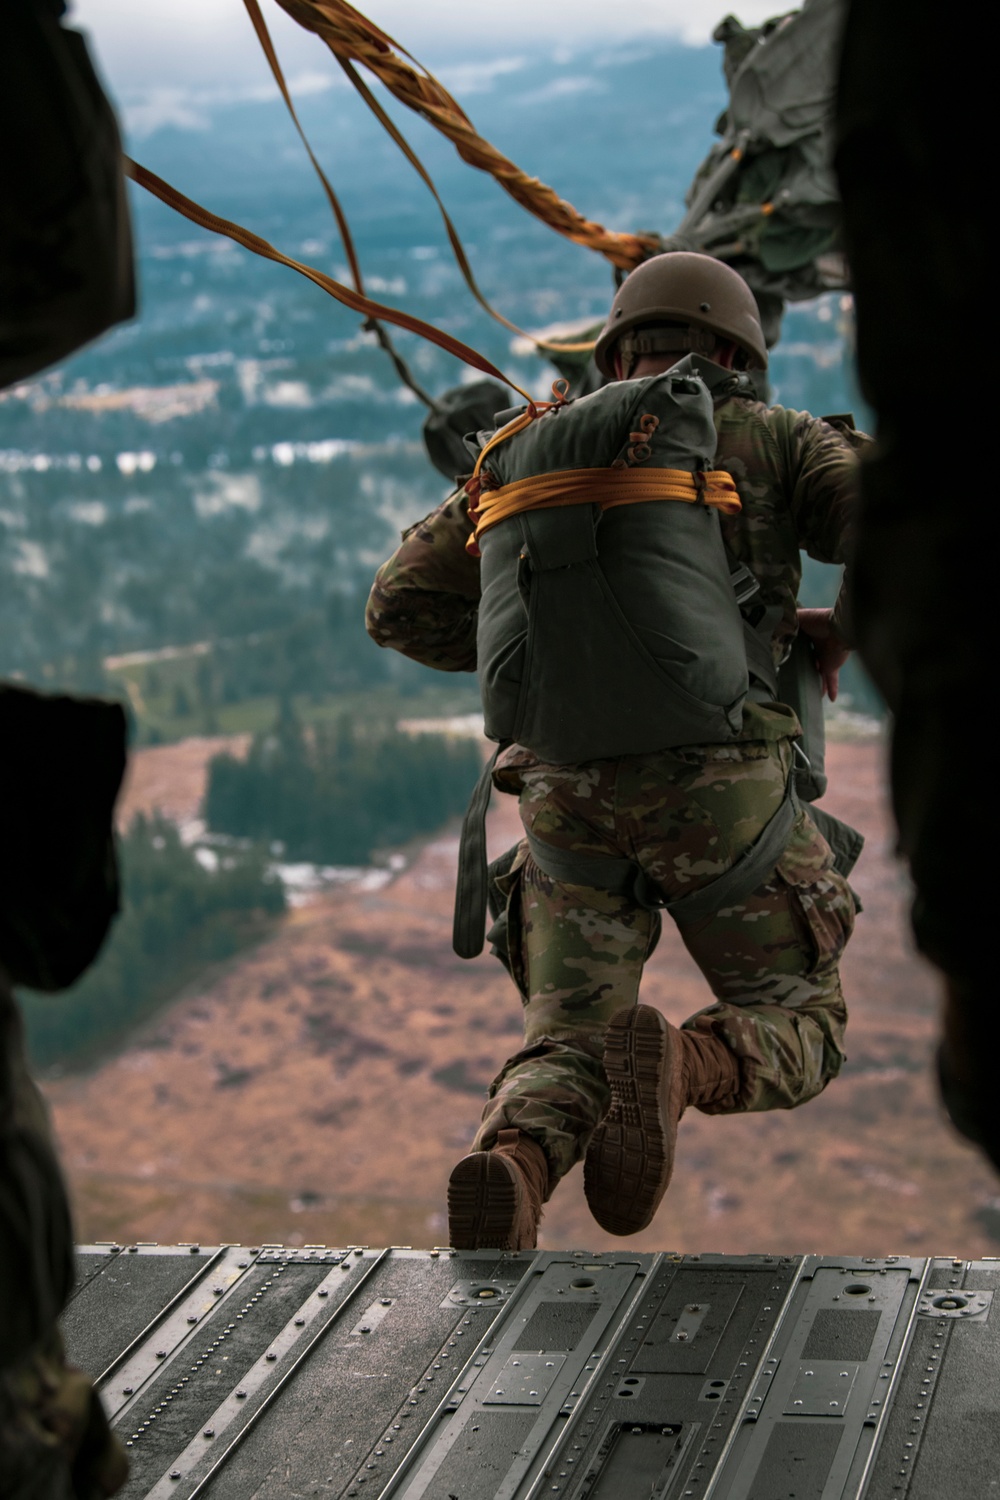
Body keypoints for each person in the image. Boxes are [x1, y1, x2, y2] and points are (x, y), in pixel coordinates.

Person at [366, 252, 861, 1249]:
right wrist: (838, 627)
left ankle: (514, 1165)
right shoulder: (773, 437)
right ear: (733, 348)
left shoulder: (524, 447)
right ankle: (686, 1065)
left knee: (567, 1033)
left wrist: (562, 654)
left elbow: (397, 607)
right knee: (799, 1016)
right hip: (719, 796)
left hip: (563, 800)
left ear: (615, 346)